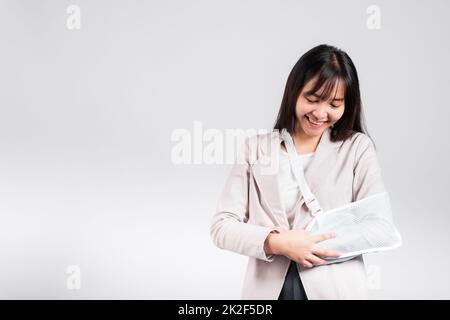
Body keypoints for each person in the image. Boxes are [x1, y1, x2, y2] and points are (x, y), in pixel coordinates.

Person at [210, 44, 394, 300]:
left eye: (334, 104)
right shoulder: (255, 149)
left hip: (336, 290)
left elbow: (380, 227)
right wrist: (277, 242)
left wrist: (311, 244)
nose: (321, 113)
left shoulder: (357, 148)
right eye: (312, 99)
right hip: (267, 290)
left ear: (347, 105)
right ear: (293, 92)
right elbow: (222, 227)